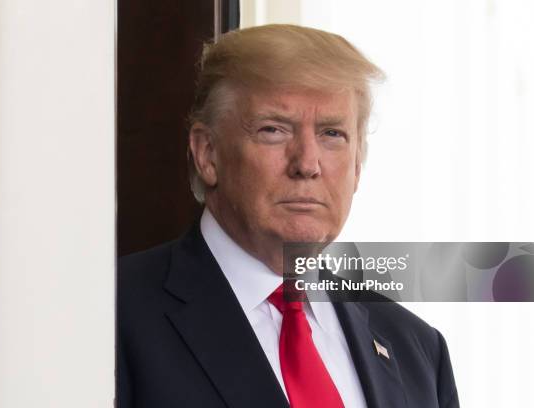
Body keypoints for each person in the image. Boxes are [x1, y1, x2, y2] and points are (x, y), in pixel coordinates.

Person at [117, 24, 459, 408]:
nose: (307, 164)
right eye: (274, 130)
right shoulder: (113, 314)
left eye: (332, 134)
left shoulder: (417, 350)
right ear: (208, 153)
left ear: (358, 166)